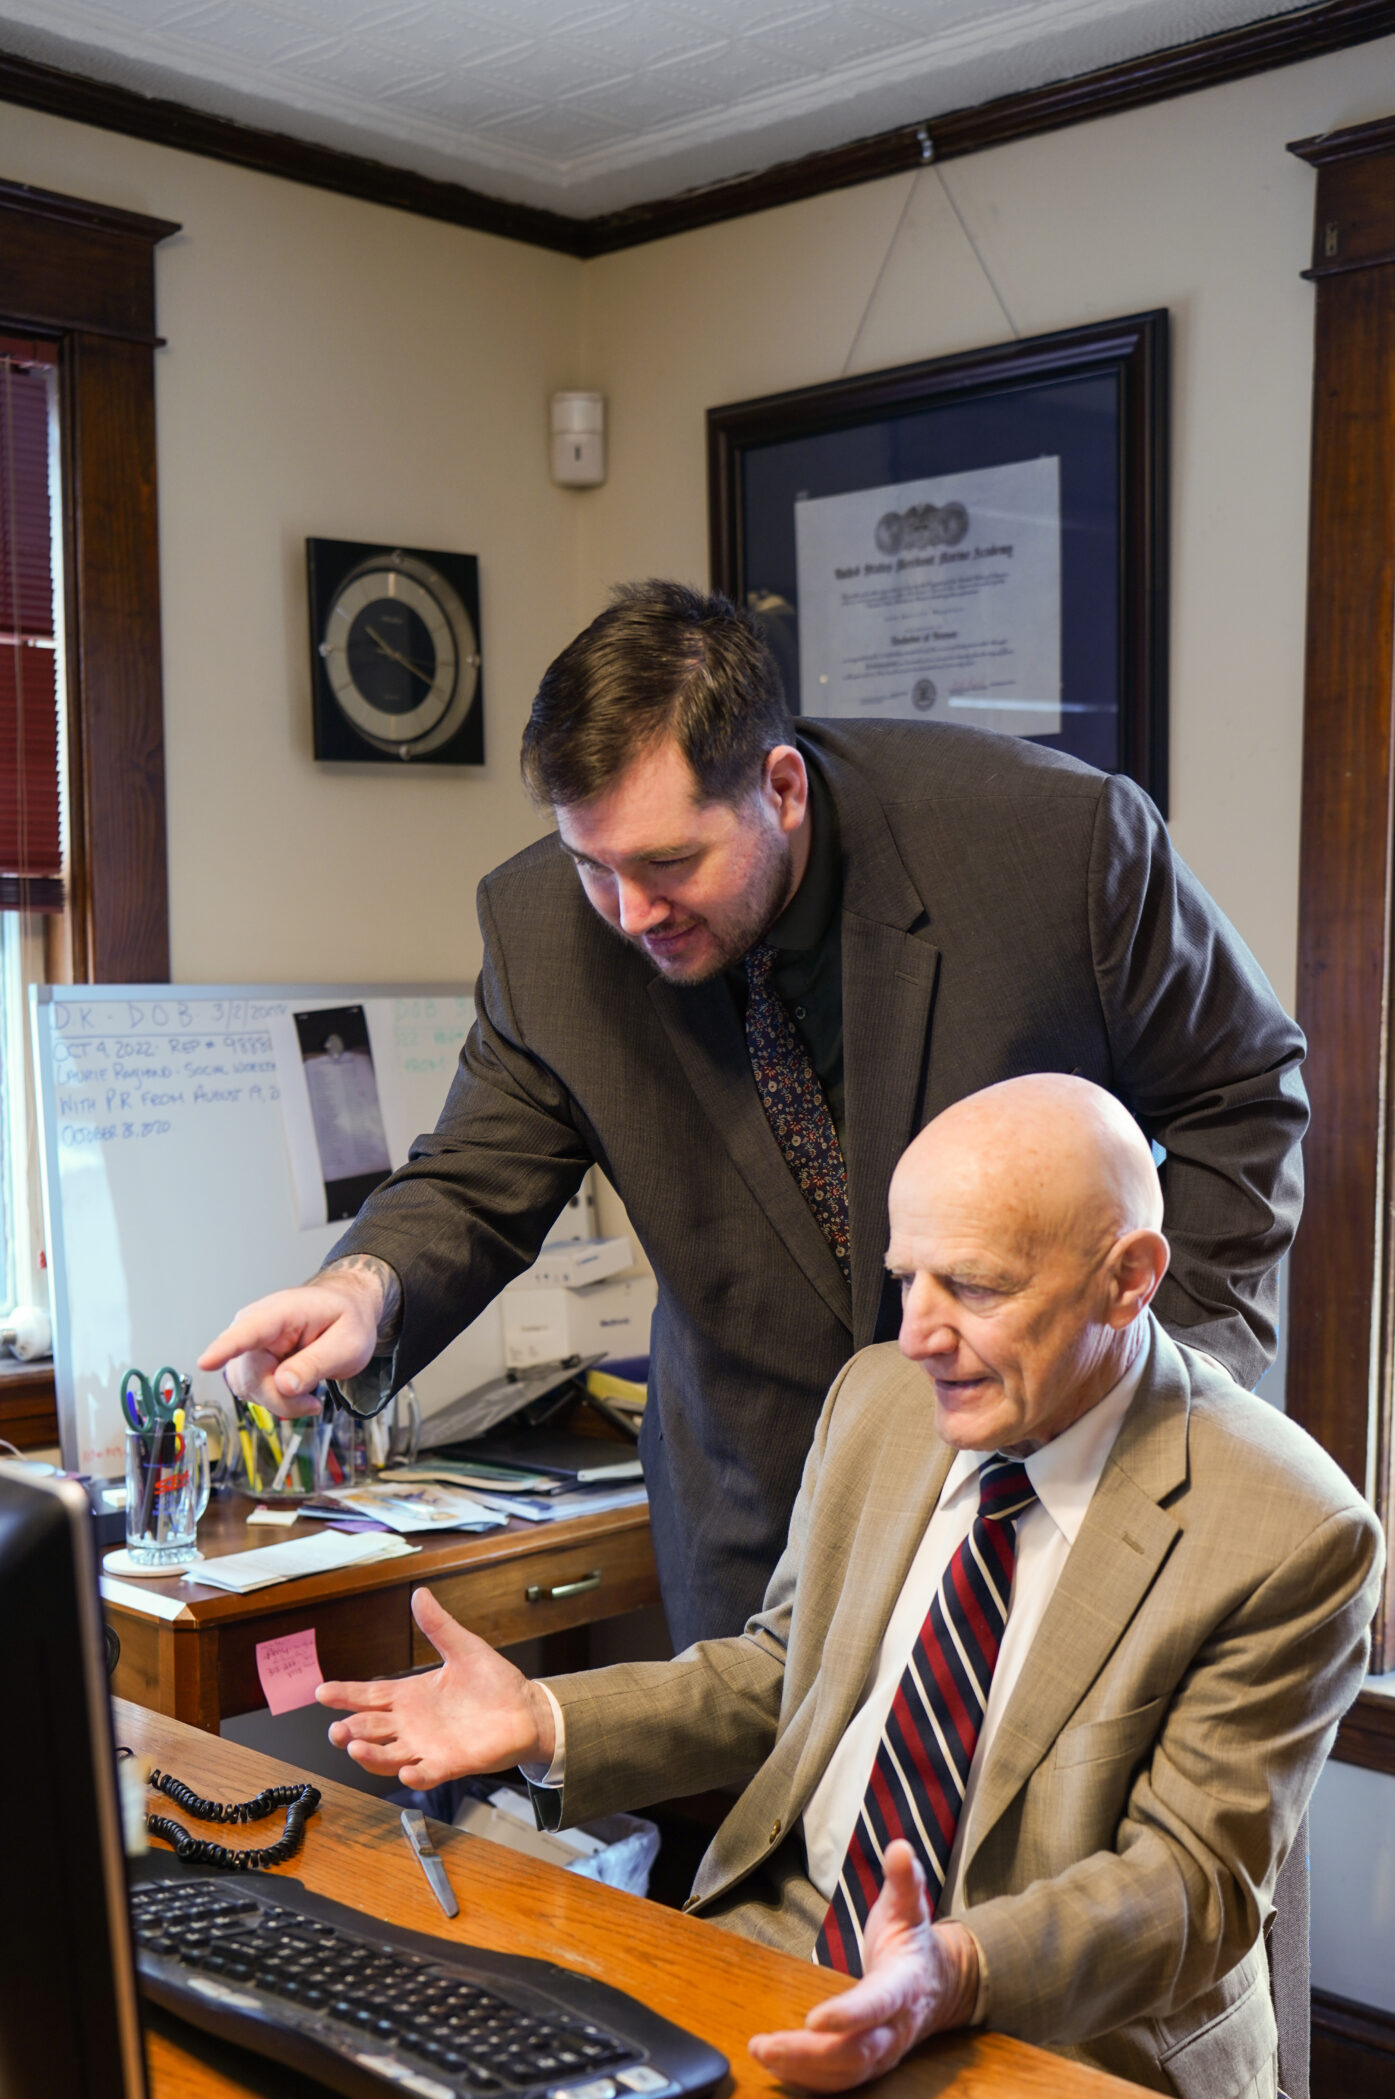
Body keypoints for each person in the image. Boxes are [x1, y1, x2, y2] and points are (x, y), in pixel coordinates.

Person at [202, 581, 1309, 1650]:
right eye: (593, 865)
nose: (631, 913)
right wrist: (360, 1288)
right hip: (753, 1504)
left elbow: (1243, 1099)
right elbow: (476, 1169)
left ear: (780, 786)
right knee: (770, 1841)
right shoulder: (546, 929)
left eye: (669, 862)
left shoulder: (1054, 849)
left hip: (1053, 1470)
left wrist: (1153, 1381)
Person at [321, 1078, 1381, 2099]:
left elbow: (1188, 1886)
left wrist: (952, 1970)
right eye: (906, 1277)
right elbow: (790, 1669)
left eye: (973, 1285)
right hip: (787, 1942)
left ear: (1129, 1280)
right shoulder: (880, 1399)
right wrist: (544, 1722)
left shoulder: (1291, 1529)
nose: (918, 1333)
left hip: (1070, 2043)